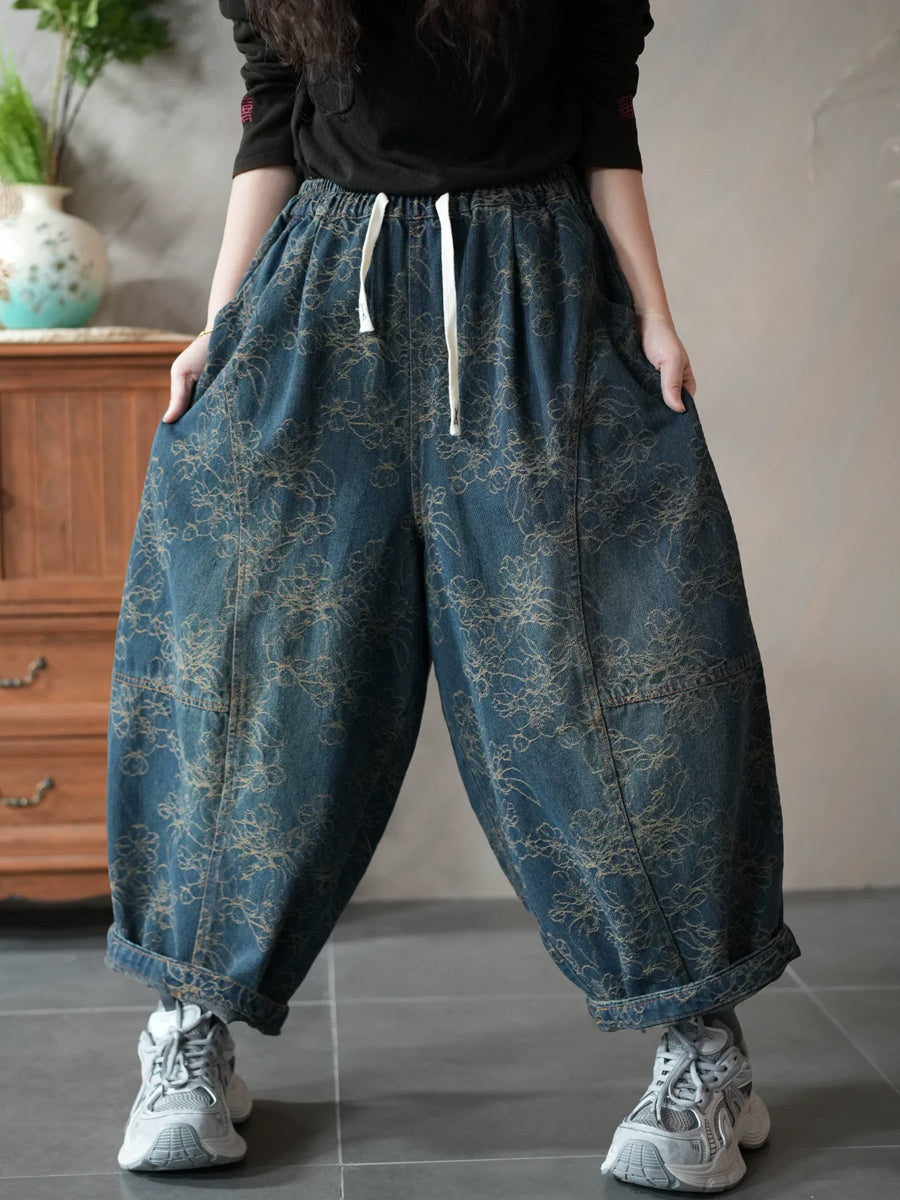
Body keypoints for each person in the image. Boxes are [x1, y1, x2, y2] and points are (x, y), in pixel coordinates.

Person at [105, 0, 801, 1191]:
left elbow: (603, 116)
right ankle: (191, 1031)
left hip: (535, 294)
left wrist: (655, 313)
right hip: (320, 295)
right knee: (251, 657)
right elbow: (274, 120)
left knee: (608, 671)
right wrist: (220, 327)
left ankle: (706, 1050)